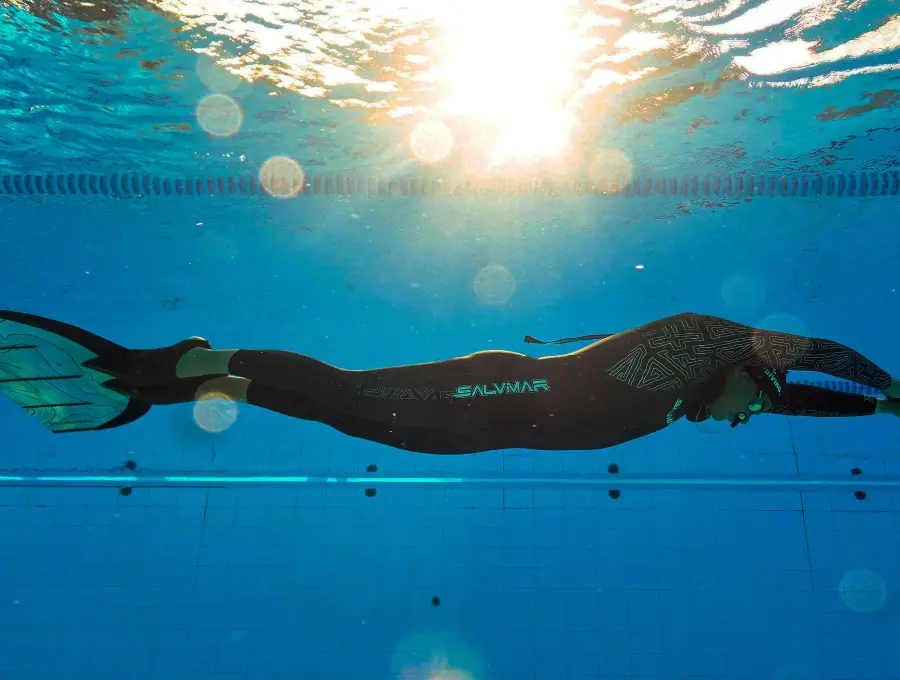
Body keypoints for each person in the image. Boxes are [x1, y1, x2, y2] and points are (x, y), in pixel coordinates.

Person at [1, 310, 898, 448]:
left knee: (339, 417)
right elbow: (808, 357)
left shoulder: (699, 389)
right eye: (756, 398)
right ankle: (165, 363)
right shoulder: (691, 347)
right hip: (496, 394)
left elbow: (800, 398)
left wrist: (876, 412)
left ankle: (191, 383)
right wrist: (890, 386)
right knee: (345, 391)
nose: (753, 417)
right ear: (735, 367)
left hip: (463, 424)